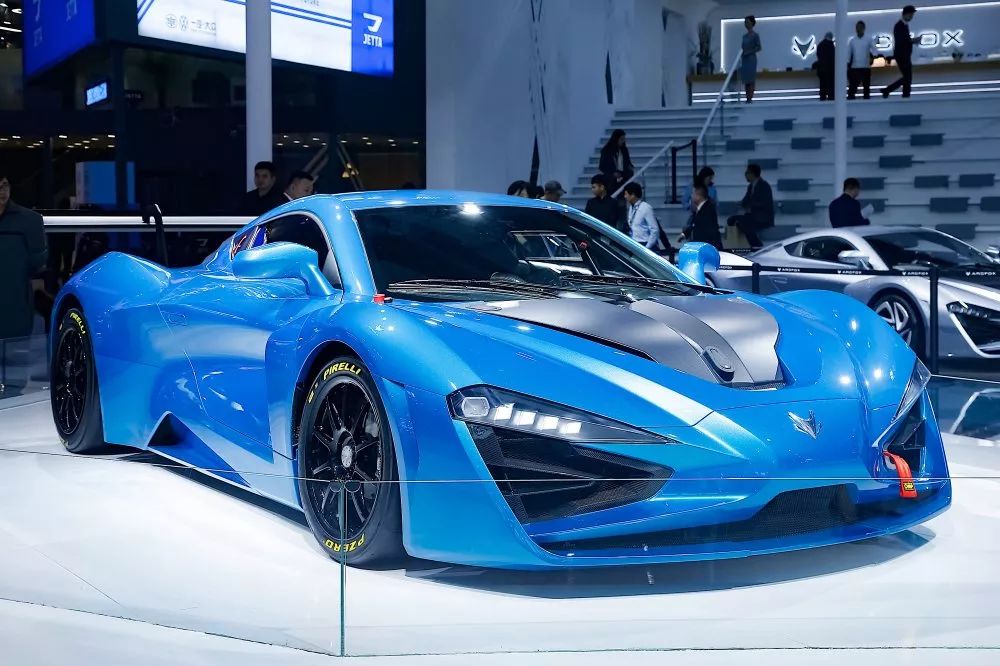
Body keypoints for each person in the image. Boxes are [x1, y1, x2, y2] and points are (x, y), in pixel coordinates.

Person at [0, 172, 48, 340]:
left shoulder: (30, 221)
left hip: (16, 304)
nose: (2, 191)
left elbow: (39, 261)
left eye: (4, 185)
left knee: (15, 349)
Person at [727, 163, 774, 249]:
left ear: (752, 174)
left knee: (744, 222)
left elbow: (765, 203)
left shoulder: (764, 186)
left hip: (763, 217)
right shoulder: (750, 186)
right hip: (752, 216)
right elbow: (746, 201)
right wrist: (740, 204)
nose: (745, 175)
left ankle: (757, 245)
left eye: (747, 173)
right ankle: (735, 246)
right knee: (731, 220)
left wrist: (751, 207)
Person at [882, 5, 919, 99]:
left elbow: (904, 40)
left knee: (907, 77)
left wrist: (912, 41)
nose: (912, 17)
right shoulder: (899, 26)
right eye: (911, 15)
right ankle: (889, 90)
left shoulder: (903, 25)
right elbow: (902, 40)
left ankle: (903, 95)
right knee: (907, 77)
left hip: (904, 55)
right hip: (902, 55)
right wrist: (913, 41)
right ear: (906, 14)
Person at [680, 167, 718, 243]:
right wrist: (690, 206)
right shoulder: (693, 186)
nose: (710, 180)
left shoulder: (712, 188)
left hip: (708, 217)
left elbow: (716, 203)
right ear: (704, 177)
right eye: (709, 178)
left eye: (711, 178)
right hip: (695, 216)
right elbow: (684, 201)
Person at [623, 182, 660, 251]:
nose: (625, 197)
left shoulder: (646, 208)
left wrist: (647, 247)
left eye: (626, 194)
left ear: (632, 195)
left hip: (645, 243)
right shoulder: (631, 207)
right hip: (634, 242)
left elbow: (654, 230)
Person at [848, 21, 876, 100]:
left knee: (866, 87)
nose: (858, 29)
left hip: (865, 66)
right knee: (852, 88)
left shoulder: (869, 39)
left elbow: (874, 49)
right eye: (857, 27)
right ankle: (850, 102)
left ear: (864, 28)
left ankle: (866, 102)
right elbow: (848, 53)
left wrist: (873, 56)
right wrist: (847, 63)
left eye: (859, 27)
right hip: (855, 67)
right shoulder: (852, 40)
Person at [689, 184, 723, 250]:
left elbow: (709, 231)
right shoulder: (699, 209)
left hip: (708, 248)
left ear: (699, 196)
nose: (691, 196)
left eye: (693, 194)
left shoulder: (707, 209)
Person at [741, 16, 762, 104]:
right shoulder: (744, 36)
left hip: (751, 59)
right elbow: (742, 47)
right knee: (746, 79)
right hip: (744, 59)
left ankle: (750, 98)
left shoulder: (755, 35)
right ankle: (747, 98)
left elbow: (759, 47)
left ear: (752, 23)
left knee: (751, 79)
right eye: (745, 22)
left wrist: (749, 52)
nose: (746, 24)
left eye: (748, 22)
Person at [816, 32, 836, 101]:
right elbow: (833, 59)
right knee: (831, 90)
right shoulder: (831, 46)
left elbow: (819, 57)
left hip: (822, 71)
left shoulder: (820, 45)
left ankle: (822, 103)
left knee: (823, 89)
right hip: (830, 71)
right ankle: (831, 104)